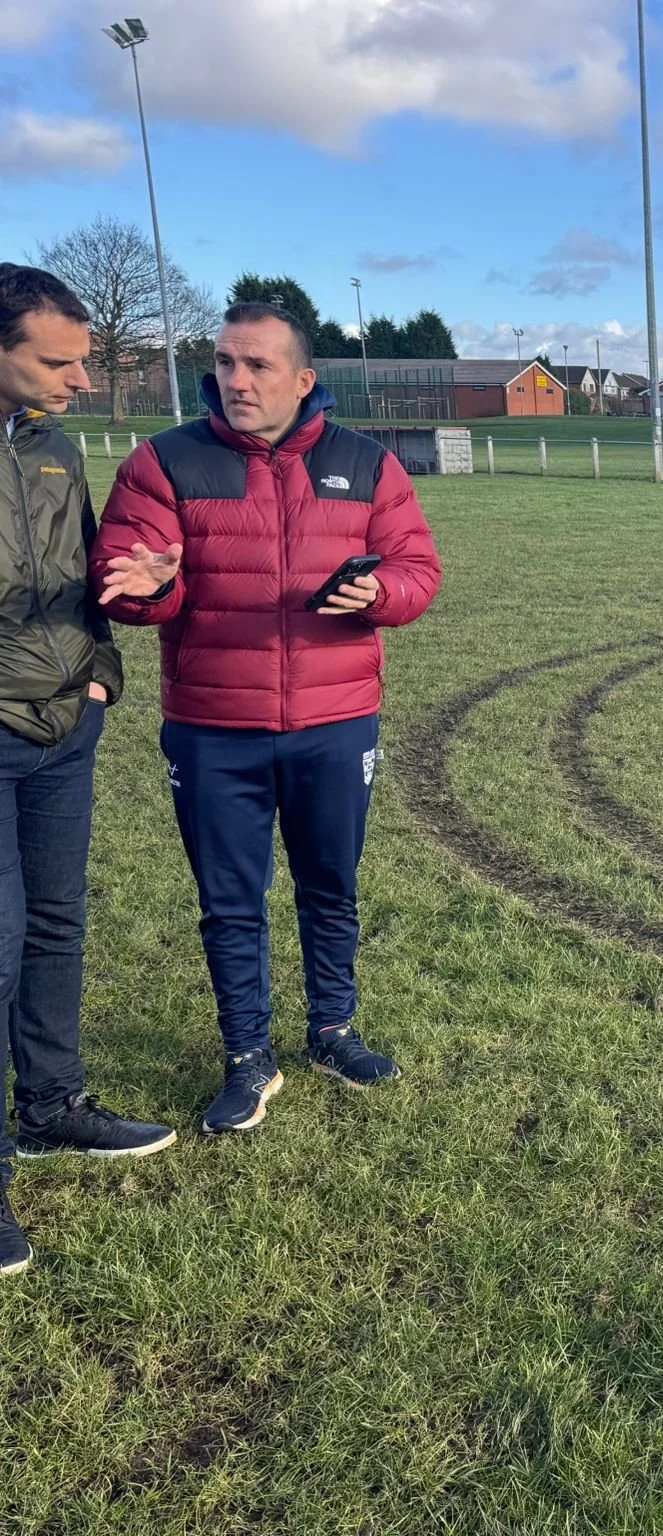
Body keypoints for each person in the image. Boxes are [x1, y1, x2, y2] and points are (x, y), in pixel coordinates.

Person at [94, 302, 441, 1136]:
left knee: (331, 886)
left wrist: (381, 592)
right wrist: (149, 588)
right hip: (214, 729)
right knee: (229, 900)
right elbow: (133, 573)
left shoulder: (365, 464)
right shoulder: (164, 462)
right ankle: (248, 1056)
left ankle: (334, 1031)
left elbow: (418, 569)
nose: (236, 381)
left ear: (304, 380)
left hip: (336, 720)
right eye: (224, 363)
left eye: (256, 366)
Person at [0, 265, 178, 1276]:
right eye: (56, 362)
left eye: (85, 361)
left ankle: (54, 1105)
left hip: (67, 729)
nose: (78, 381)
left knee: (59, 923)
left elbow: (86, 587)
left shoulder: (56, 448)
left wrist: (102, 672)